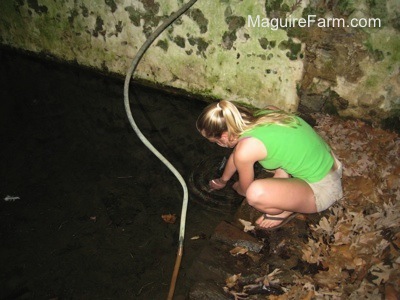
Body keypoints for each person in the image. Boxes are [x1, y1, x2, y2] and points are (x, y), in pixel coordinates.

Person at [196, 100, 343, 230]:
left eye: (216, 142)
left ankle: (286, 210)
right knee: (273, 155)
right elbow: (237, 154)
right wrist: (223, 180)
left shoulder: (246, 149)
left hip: (324, 190)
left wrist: (235, 187)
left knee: (254, 193)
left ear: (224, 136)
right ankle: (286, 179)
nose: (218, 145)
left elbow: (244, 189)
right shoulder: (265, 113)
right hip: (332, 164)